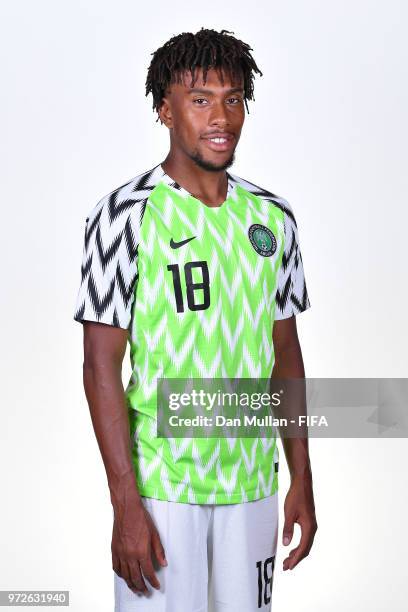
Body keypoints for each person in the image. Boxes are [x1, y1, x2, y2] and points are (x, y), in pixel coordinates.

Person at [73, 27, 317, 612]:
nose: (221, 116)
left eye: (233, 98)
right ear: (165, 110)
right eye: (201, 98)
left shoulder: (272, 219)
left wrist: (301, 478)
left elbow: (285, 354)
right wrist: (125, 504)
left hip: (253, 484)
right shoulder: (124, 217)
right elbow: (99, 365)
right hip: (163, 490)